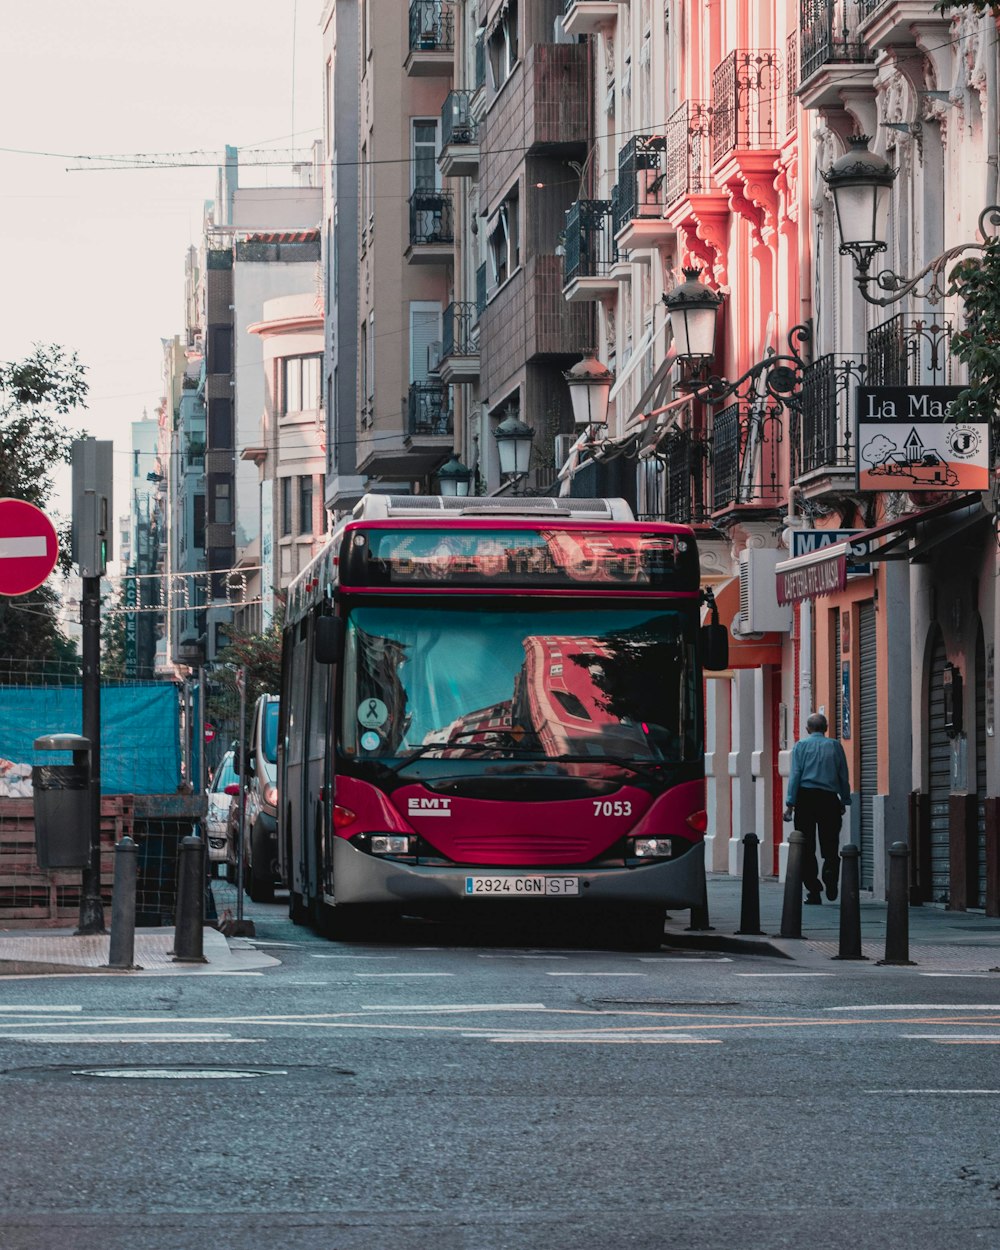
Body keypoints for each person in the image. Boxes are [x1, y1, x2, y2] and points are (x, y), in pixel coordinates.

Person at [783, 712, 850, 905]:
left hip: (805, 798)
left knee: (806, 846)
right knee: (830, 843)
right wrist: (844, 800)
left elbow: (795, 776)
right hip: (829, 799)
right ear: (826, 728)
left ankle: (813, 888)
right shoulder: (835, 746)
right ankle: (830, 875)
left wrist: (790, 804)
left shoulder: (801, 746)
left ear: (807, 729)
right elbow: (843, 775)